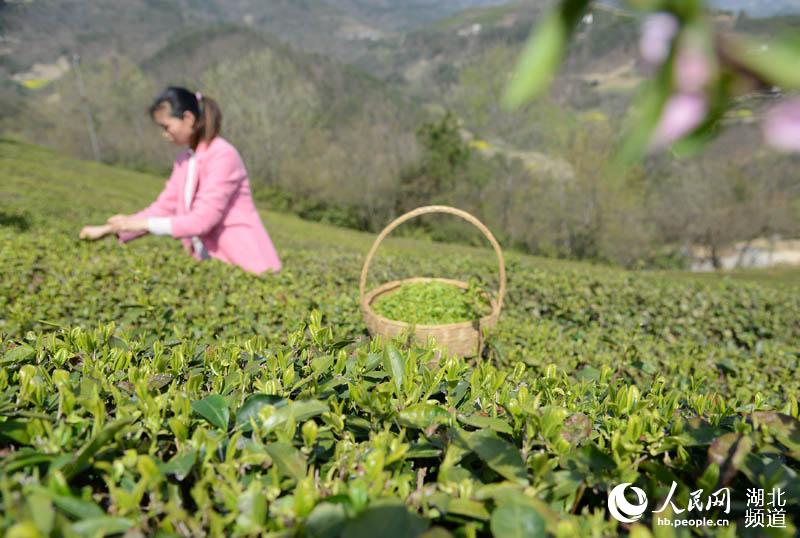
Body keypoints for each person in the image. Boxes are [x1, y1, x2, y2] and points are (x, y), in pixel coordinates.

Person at [79, 86, 281, 275]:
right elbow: (164, 207)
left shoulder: (223, 155)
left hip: (246, 265)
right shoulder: (185, 161)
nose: (165, 134)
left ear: (188, 118)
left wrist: (138, 224)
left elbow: (202, 221)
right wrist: (110, 229)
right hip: (212, 266)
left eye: (167, 126)